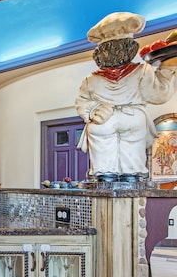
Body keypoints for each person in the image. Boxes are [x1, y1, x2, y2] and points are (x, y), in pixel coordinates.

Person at [75, 12, 177, 182]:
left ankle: (106, 176)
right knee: (132, 167)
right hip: (132, 117)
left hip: (103, 121)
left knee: (104, 168)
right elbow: (159, 94)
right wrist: (167, 70)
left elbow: (81, 102)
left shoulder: (90, 79)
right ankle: (130, 176)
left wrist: (93, 110)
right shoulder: (143, 71)